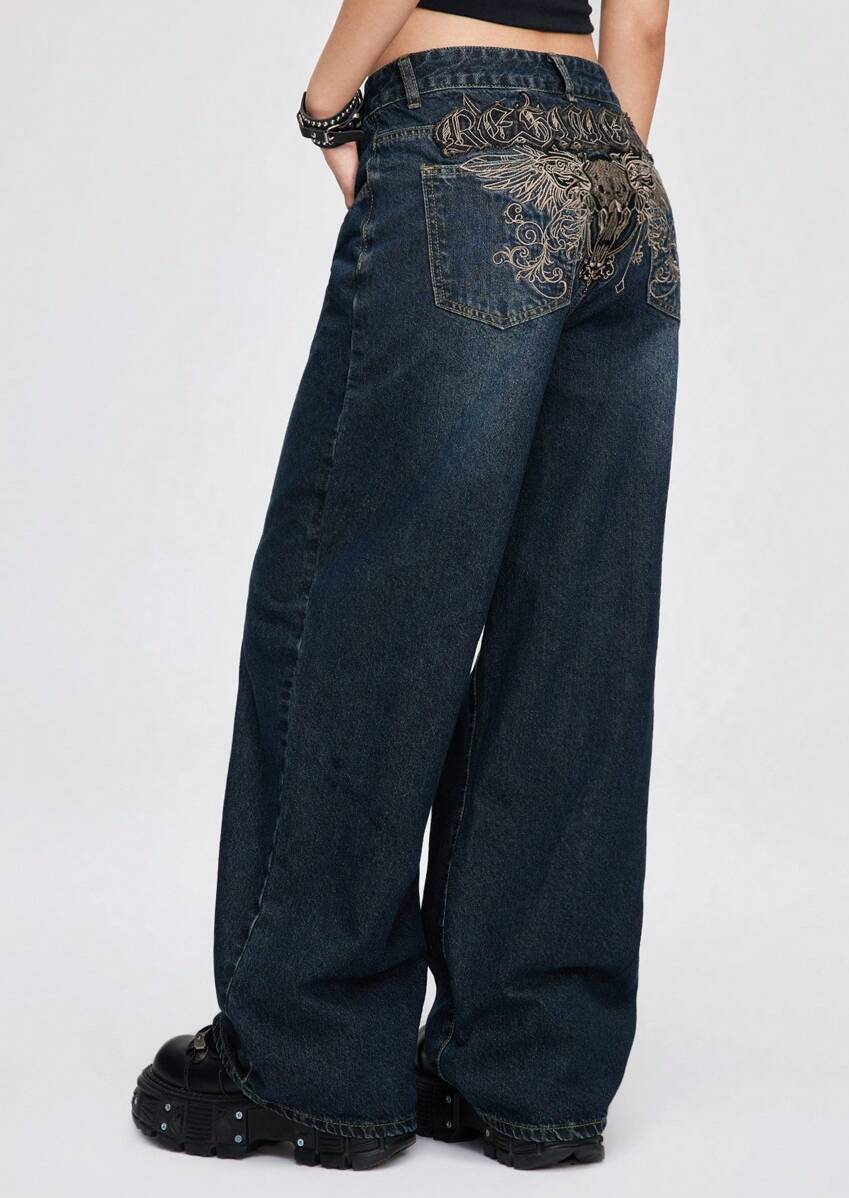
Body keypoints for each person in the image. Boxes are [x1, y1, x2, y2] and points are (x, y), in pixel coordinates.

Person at [131, 0, 679, 1172]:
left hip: (460, 135)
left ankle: (310, 1056)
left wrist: (326, 101)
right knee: (571, 637)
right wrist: (591, 184)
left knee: (358, 600)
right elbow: (639, 23)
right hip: (618, 172)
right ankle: (527, 1070)